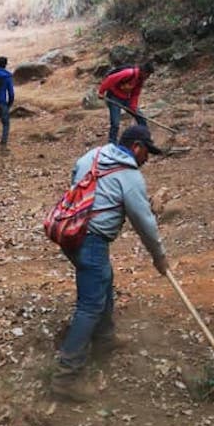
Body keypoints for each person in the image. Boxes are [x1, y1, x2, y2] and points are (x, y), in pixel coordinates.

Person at [51, 124, 169, 402]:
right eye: (147, 152)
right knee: (90, 305)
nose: (147, 159)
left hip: (70, 233)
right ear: (137, 147)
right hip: (91, 241)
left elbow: (74, 182)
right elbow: (145, 222)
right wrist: (159, 256)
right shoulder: (129, 176)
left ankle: (104, 339)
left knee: (104, 280)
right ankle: (66, 376)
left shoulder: (92, 155)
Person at [97, 60, 155, 145]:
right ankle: (112, 143)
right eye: (148, 74)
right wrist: (101, 92)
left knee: (141, 117)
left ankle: (145, 138)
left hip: (125, 98)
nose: (148, 77)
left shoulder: (140, 80)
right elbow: (110, 79)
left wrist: (133, 106)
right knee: (115, 123)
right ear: (143, 71)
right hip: (114, 97)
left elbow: (135, 94)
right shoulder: (128, 73)